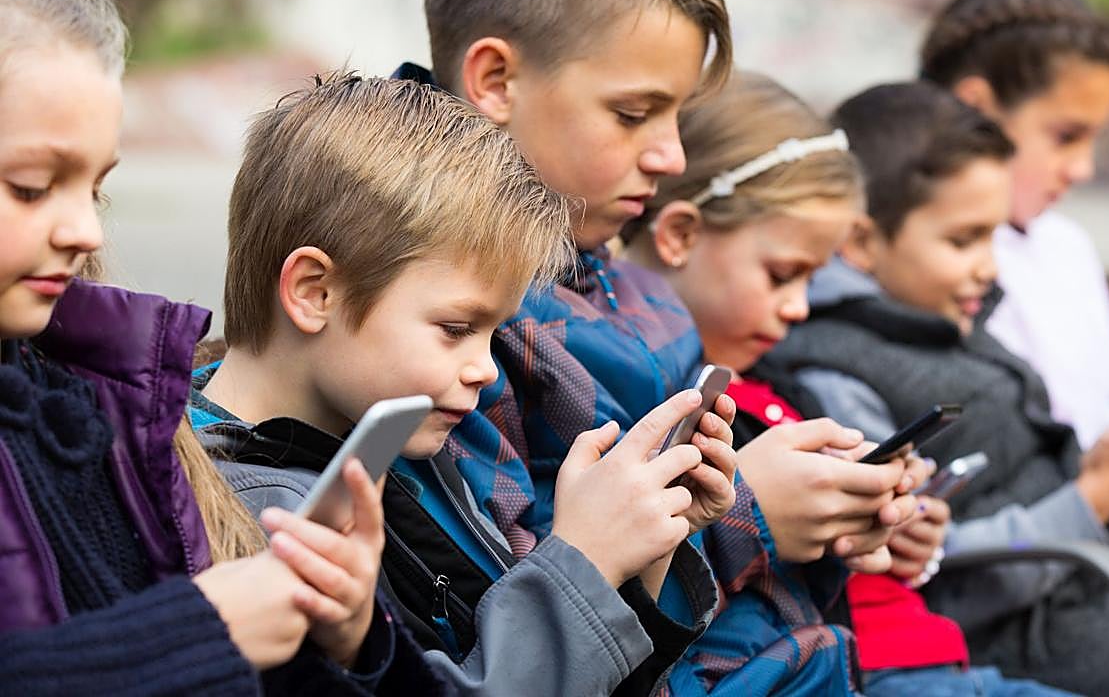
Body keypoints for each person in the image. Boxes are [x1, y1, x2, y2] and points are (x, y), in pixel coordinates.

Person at [391, 0, 919, 694]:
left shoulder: (623, 280)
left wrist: (833, 511)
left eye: (678, 118)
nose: (671, 156)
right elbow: (514, 604)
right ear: (495, 81)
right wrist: (753, 516)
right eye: (634, 115)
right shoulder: (445, 313)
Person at [192, 71, 732, 696]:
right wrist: (584, 564)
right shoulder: (253, 519)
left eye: (493, 331)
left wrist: (641, 557)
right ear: (316, 293)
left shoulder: (401, 441)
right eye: (455, 327)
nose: (487, 368)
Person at [0, 0, 408, 695]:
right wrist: (195, 635)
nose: (85, 231)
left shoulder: (94, 400)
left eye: (95, 189)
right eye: (30, 187)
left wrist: (347, 638)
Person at [624, 70, 1072, 697]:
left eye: (811, 278)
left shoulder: (777, 387)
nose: (800, 307)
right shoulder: (645, 399)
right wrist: (760, 511)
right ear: (679, 235)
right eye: (782, 275)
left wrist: (879, 523)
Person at [757, 80, 1109, 695]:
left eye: (993, 236)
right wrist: (1094, 498)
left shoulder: (948, 317)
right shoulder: (830, 372)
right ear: (859, 242)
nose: (988, 266)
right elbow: (919, 567)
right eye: (962, 240)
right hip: (1057, 655)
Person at [920, 0, 1109, 571]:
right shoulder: (939, 269)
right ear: (976, 110)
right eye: (1066, 136)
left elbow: (1104, 420)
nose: (1083, 169)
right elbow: (1057, 466)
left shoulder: (1062, 244)